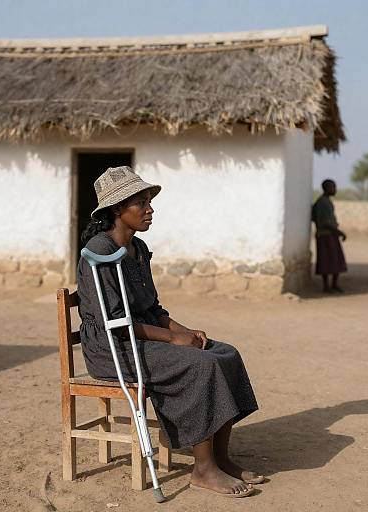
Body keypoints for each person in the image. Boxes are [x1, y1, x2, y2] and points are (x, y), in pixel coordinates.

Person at [76, 166, 262, 498]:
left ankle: (220, 458)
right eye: (141, 203)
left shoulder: (139, 249)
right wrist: (173, 340)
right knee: (199, 365)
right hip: (112, 347)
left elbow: (154, 309)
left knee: (224, 354)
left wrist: (183, 330)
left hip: (142, 336)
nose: (150, 209)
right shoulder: (99, 252)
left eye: (149, 201)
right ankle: (203, 470)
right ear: (118, 209)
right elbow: (114, 321)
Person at [312, 179, 348, 292]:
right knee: (327, 260)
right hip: (325, 235)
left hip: (330, 234)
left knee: (335, 259)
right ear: (326, 188)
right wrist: (339, 232)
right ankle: (326, 286)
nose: (335, 189)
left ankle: (334, 284)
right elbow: (325, 222)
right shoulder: (322, 203)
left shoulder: (326, 201)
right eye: (333, 187)